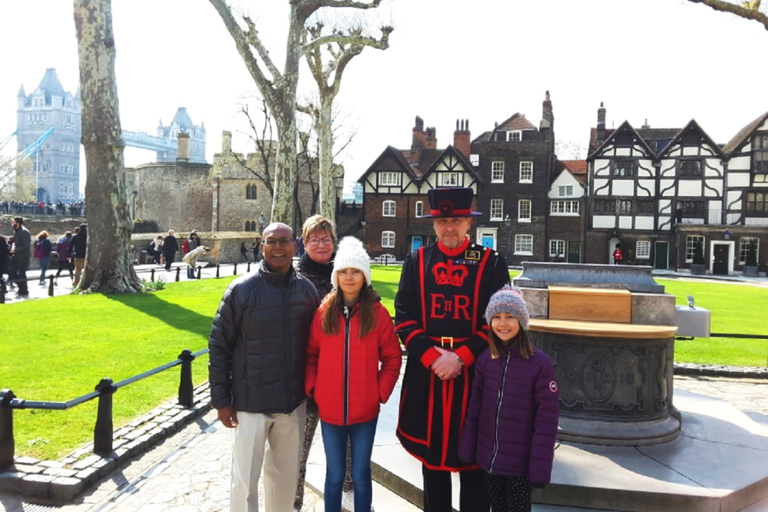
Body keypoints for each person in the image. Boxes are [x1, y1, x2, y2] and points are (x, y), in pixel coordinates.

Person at [395, 187, 510, 512]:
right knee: (433, 466)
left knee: (475, 466)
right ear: (433, 224)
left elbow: (503, 320)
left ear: (468, 224)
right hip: (427, 373)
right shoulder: (416, 261)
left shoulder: (491, 264)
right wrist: (434, 357)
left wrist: (461, 356)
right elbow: (403, 317)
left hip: (474, 374)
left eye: (456, 220)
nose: (449, 227)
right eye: (443, 220)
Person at [208, 222, 320, 512]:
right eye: (272, 242)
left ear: (295, 245)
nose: (279, 247)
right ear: (262, 246)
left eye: (285, 241)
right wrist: (222, 401)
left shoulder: (306, 291)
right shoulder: (241, 290)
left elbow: (317, 346)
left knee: (283, 480)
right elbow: (219, 346)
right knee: (244, 481)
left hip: (291, 403)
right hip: (250, 403)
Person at [305, 236, 402, 512]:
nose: (350, 277)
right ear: (337, 275)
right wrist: (315, 388)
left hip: (365, 411)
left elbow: (392, 358)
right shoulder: (324, 311)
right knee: (334, 474)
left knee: (360, 473)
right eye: (344, 271)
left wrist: (379, 393)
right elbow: (311, 353)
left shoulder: (378, 314)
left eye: (356, 271)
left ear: (364, 276)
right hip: (331, 410)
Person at [458, 285, 559, 512]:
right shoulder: (486, 359)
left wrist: (539, 467)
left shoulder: (539, 364)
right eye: (497, 317)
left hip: (519, 466)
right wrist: (468, 446)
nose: (503, 323)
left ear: (521, 321)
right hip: (490, 460)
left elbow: (546, 421)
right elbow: (476, 406)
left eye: (510, 317)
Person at [293, 214, 344, 511]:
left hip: (341, 375)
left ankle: (347, 494)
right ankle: (294, 501)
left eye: (326, 239)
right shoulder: (296, 277)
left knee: (345, 448)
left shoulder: (346, 274)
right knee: (299, 448)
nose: (321, 245)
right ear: (304, 243)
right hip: (306, 377)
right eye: (315, 240)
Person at [9, 216, 32, 298]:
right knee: (12, 272)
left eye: (13, 222)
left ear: (17, 223)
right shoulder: (17, 231)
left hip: (23, 256)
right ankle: (21, 287)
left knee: (21, 273)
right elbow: (16, 240)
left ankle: (24, 290)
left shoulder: (24, 232)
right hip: (17, 256)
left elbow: (26, 245)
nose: (12, 223)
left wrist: (15, 250)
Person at [69, 223, 88, 288]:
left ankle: (76, 282)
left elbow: (70, 246)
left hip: (78, 255)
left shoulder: (75, 237)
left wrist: (68, 254)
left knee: (78, 269)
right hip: (87, 255)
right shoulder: (88, 237)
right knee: (87, 269)